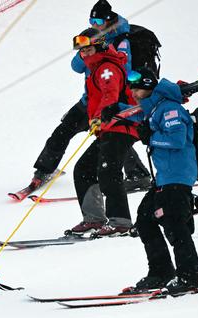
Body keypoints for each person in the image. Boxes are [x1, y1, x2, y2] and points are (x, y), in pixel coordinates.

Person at [31, 0, 150, 192]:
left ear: (109, 20)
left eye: (97, 20)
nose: (93, 24)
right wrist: (87, 49)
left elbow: (123, 71)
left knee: (114, 139)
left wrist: (101, 51)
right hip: (89, 100)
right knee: (64, 129)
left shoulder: (122, 41)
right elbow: (76, 67)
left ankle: (138, 175)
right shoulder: (91, 38)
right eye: (91, 20)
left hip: (112, 102)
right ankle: (44, 171)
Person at [126, 68, 198, 293]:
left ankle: (191, 276)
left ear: (149, 87)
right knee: (145, 219)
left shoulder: (170, 109)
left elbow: (177, 140)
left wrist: (151, 137)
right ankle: (161, 272)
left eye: (137, 88)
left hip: (177, 177)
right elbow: (134, 114)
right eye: (132, 88)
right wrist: (113, 111)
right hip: (164, 178)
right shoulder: (154, 109)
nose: (133, 92)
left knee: (174, 225)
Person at [67, 28, 140, 237]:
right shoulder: (97, 67)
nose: (85, 55)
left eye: (88, 50)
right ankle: (94, 219)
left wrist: (100, 116)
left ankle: (120, 221)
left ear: (99, 46)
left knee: (108, 170)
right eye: (82, 52)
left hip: (120, 125)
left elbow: (111, 94)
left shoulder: (107, 67)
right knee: (84, 168)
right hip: (108, 128)